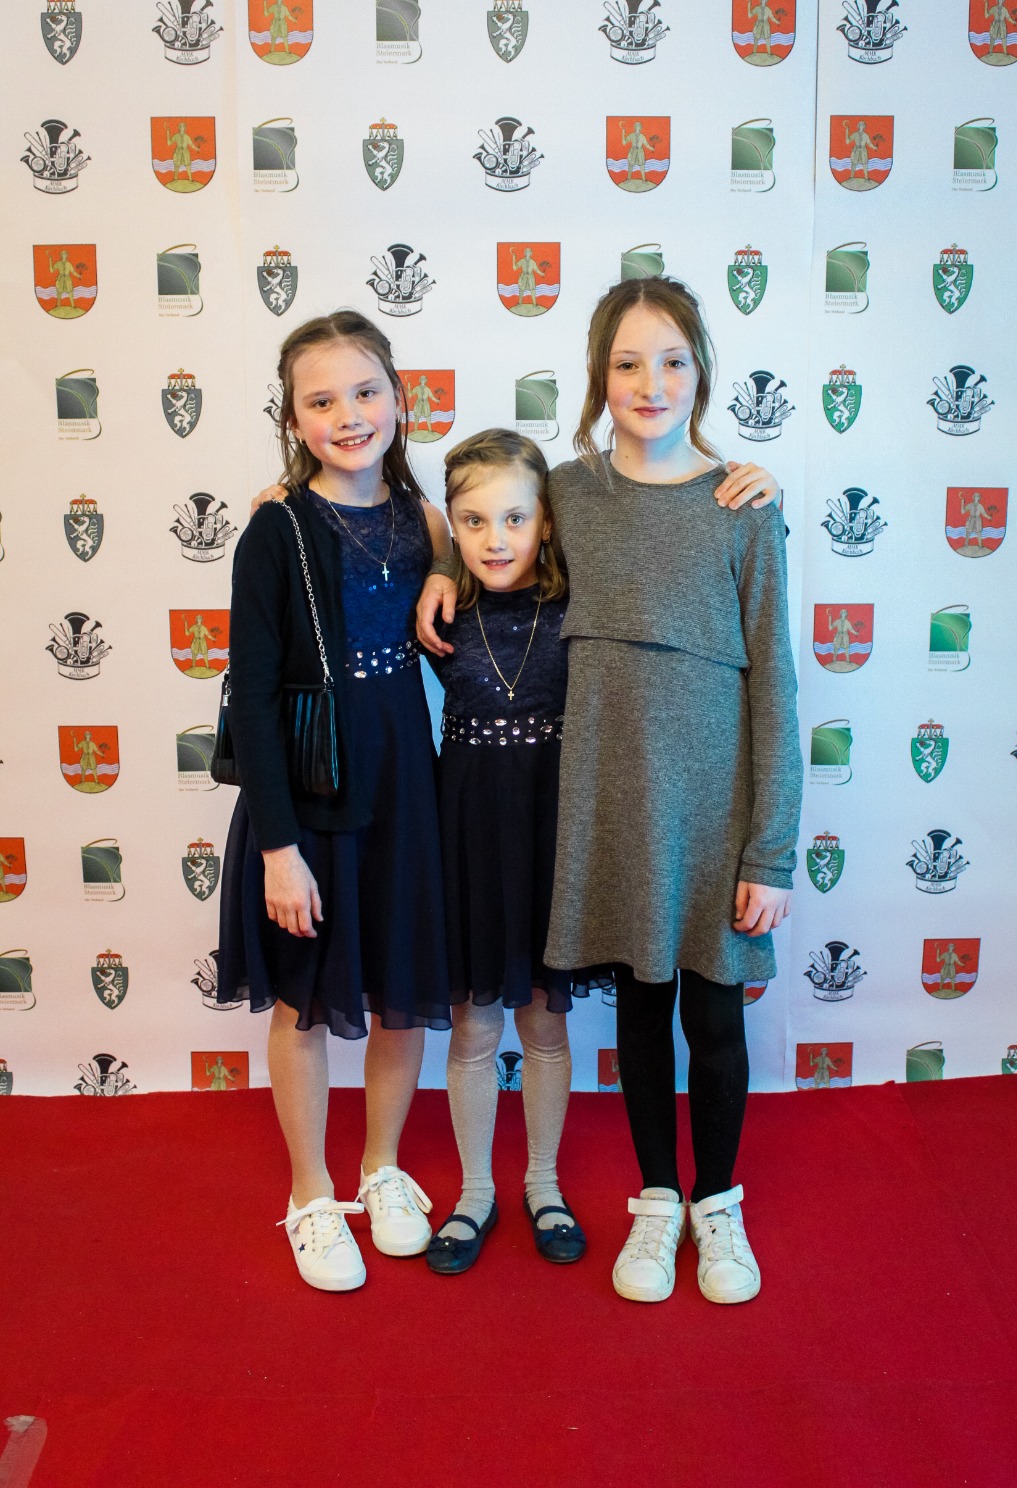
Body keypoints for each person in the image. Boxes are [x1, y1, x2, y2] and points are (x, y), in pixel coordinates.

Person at [418, 277, 797, 1306]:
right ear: (597, 376)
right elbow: (490, 516)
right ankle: (657, 1198)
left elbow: (776, 683)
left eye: (672, 360)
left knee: (714, 1022)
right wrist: (442, 563)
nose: (650, 382)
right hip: (613, 809)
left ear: (701, 371)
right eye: (627, 362)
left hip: (716, 816)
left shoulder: (742, 507)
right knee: (641, 1012)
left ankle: (718, 1203)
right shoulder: (572, 496)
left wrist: (770, 851)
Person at [217, 310, 454, 1294]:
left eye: (365, 392)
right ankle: (311, 1192)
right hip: (310, 801)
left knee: (401, 988)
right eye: (322, 401)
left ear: (398, 398)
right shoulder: (275, 528)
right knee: (304, 998)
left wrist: (445, 566)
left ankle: (382, 1167)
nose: (349, 415)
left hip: (404, 788)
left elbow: (480, 556)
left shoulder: (423, 517)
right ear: (293, 419)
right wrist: (278, 848)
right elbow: (252, 696)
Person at [422, 429, 611, 1276]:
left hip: (548, 835)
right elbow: (379, 531)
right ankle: (474, 1192)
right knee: (473, 1024)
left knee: (543, 1018)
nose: (495, 539)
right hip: (465, 837)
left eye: (514, 519)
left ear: (548, 521)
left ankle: (543, 1182)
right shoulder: (438, 610)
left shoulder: (581, 603)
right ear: (452, 526)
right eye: (473, 522)